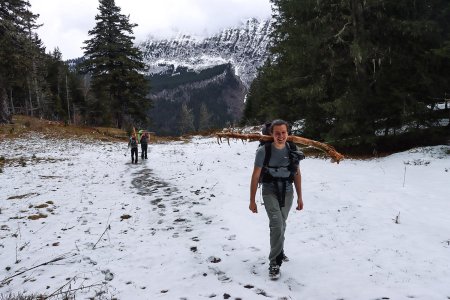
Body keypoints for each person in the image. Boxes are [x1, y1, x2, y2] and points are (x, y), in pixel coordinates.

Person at [249, 119, 304, 279]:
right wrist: (252, 200)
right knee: (277, 224)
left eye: (283, 133)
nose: (280, 136)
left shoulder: (293, 149)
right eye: (277, 133)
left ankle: (279, 249)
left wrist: (300, 196)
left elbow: (297, 174)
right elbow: (255, 176)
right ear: (271, 134)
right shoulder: (263, 151)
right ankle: (274, 262)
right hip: (269, 190)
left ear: (288, 133)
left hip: (287, 190)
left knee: (282, 223)